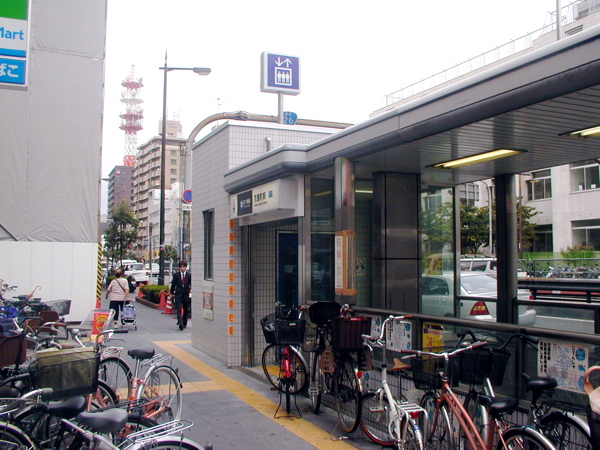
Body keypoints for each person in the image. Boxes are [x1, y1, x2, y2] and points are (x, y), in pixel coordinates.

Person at [170, 260, 191, 331]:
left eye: (183, 267)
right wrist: (171, 293)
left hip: (186, 295)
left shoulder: (189, 275)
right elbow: (173, 284)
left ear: (186, 267)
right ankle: (180, 322)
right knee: (179, 309)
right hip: (178, 294)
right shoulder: (176, 275)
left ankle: (184, 323)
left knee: (186, 309)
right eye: (181, 267)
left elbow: (191, 284)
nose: (182, 268)